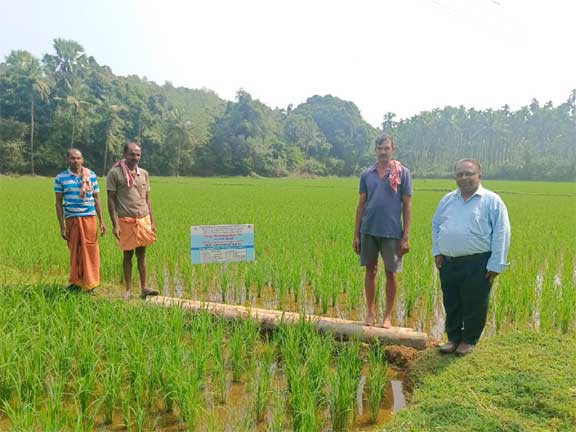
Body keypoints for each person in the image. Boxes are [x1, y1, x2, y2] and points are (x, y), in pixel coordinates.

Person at [432, 159, 511, 355]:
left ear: (479, 175)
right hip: (449, 262)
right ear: (455, 177)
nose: (464, 178)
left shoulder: (492, 200)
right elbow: (436, 225)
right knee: (451, 301)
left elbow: (502, 231)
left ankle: (469, 340)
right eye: (460, 174)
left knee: (474, 302)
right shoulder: (448, 200)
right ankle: (453, 338)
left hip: (478, 262)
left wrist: (496, 264)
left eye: (469, 173)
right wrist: (437, 251)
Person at [353, 134, 412, 328]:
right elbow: (361, 205)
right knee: (370, 271)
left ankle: (387, 316)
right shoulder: (367, 174)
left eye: (386, 148)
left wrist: (406, 237)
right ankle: (370, 313)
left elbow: (407, 206)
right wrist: (356, 234)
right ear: (375, 150)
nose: (383, 152)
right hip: (368, 230)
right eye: (380, 148)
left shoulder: (402, 173)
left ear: (392, 149)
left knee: (391, 273)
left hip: (392, 232)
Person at [107, 142, 159, 300]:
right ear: (124, 154)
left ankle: (144, 288)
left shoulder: (143, 173)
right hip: (126, 220)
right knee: (127, 255)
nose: (135, 157)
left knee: (142, 255)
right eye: (132, 154)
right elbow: (110, 200)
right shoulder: (115, 173)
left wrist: (152, 221)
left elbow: (147, 199)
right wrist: (115, 224)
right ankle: (128, 289)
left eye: (137, 154)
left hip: (143, 219)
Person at [55, 148, 106, 293]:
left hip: (89, 218)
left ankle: (91, 284)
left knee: (91, 250)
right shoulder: (61, 178)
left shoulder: (91, 176)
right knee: (74, 251)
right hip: (71, 219)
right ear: (67, 160)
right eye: (72, 158)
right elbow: (58, 202)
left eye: (78, 158)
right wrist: (62, 226)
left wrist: (102, 220)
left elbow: (96, 198)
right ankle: (76, 282)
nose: (75, 161)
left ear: (82, 160)